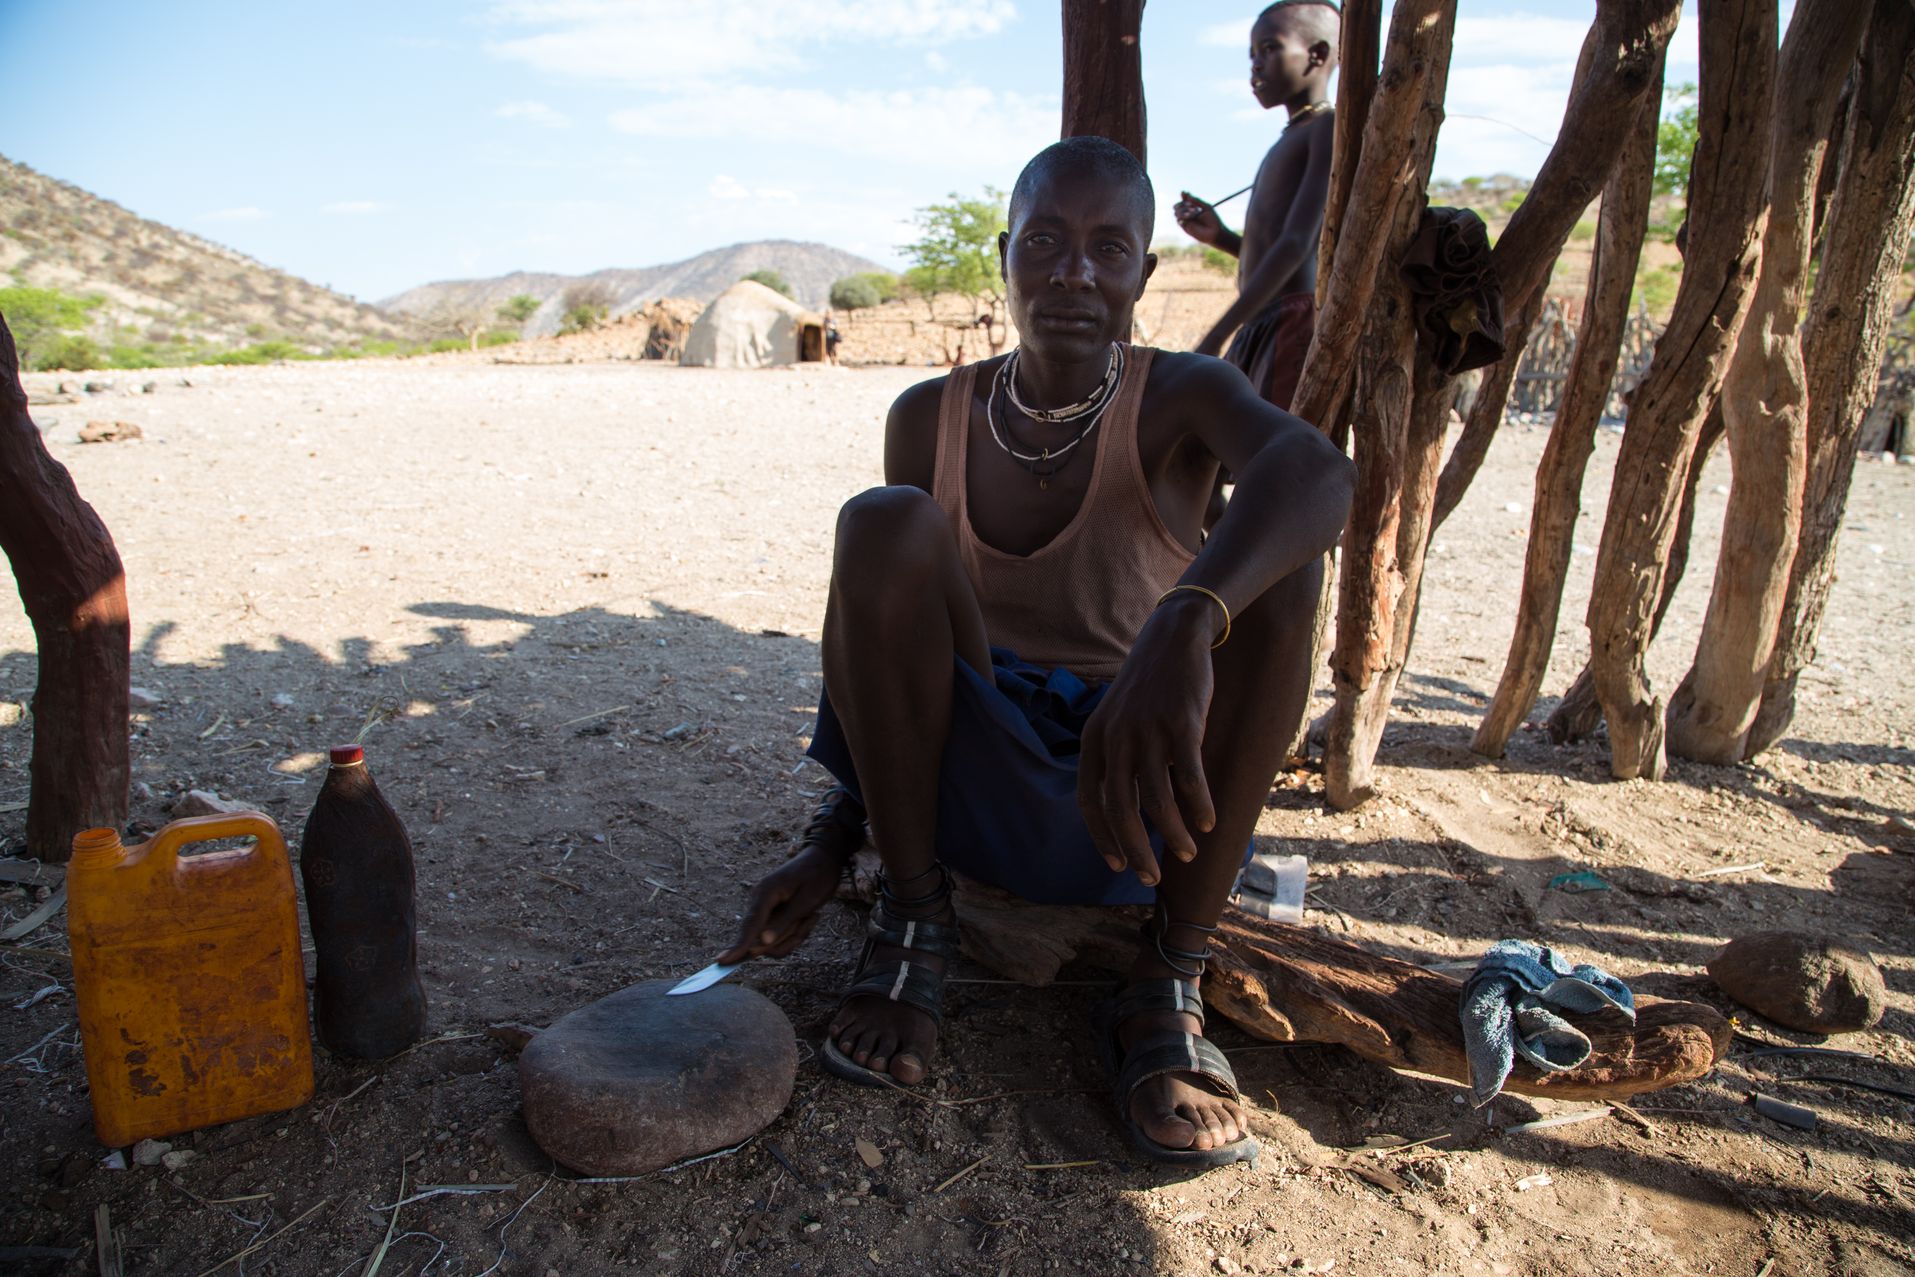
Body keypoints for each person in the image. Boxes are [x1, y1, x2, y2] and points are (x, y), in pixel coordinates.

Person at [719, 137, 1353, 1168]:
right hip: (964, 796)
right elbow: (890, 657)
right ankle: (915, 924)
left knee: (1285, 571)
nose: (1073, 273)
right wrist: (832, 842)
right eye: (1046, 242)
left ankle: (1168, 973)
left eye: (1109, 249)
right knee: (883, 522)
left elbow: (1317, 471)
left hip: (1134, 800)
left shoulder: (1183, 397)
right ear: (1005, 255)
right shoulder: (930, 416)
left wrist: (1184, 620)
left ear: (1144, 273)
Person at [1175, 0, 1339, 413]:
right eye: (1251, 54)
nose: (1255, 65)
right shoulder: (1294, 135)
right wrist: (1222, 237)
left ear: (1317, 55)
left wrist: (1217, 336)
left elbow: (1298, 244)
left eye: (1269, 49)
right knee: (1235, 439)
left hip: (1292, 322)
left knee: (1273, 445)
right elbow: (1278, 248)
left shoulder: (1328, 127)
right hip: (1265, 319)